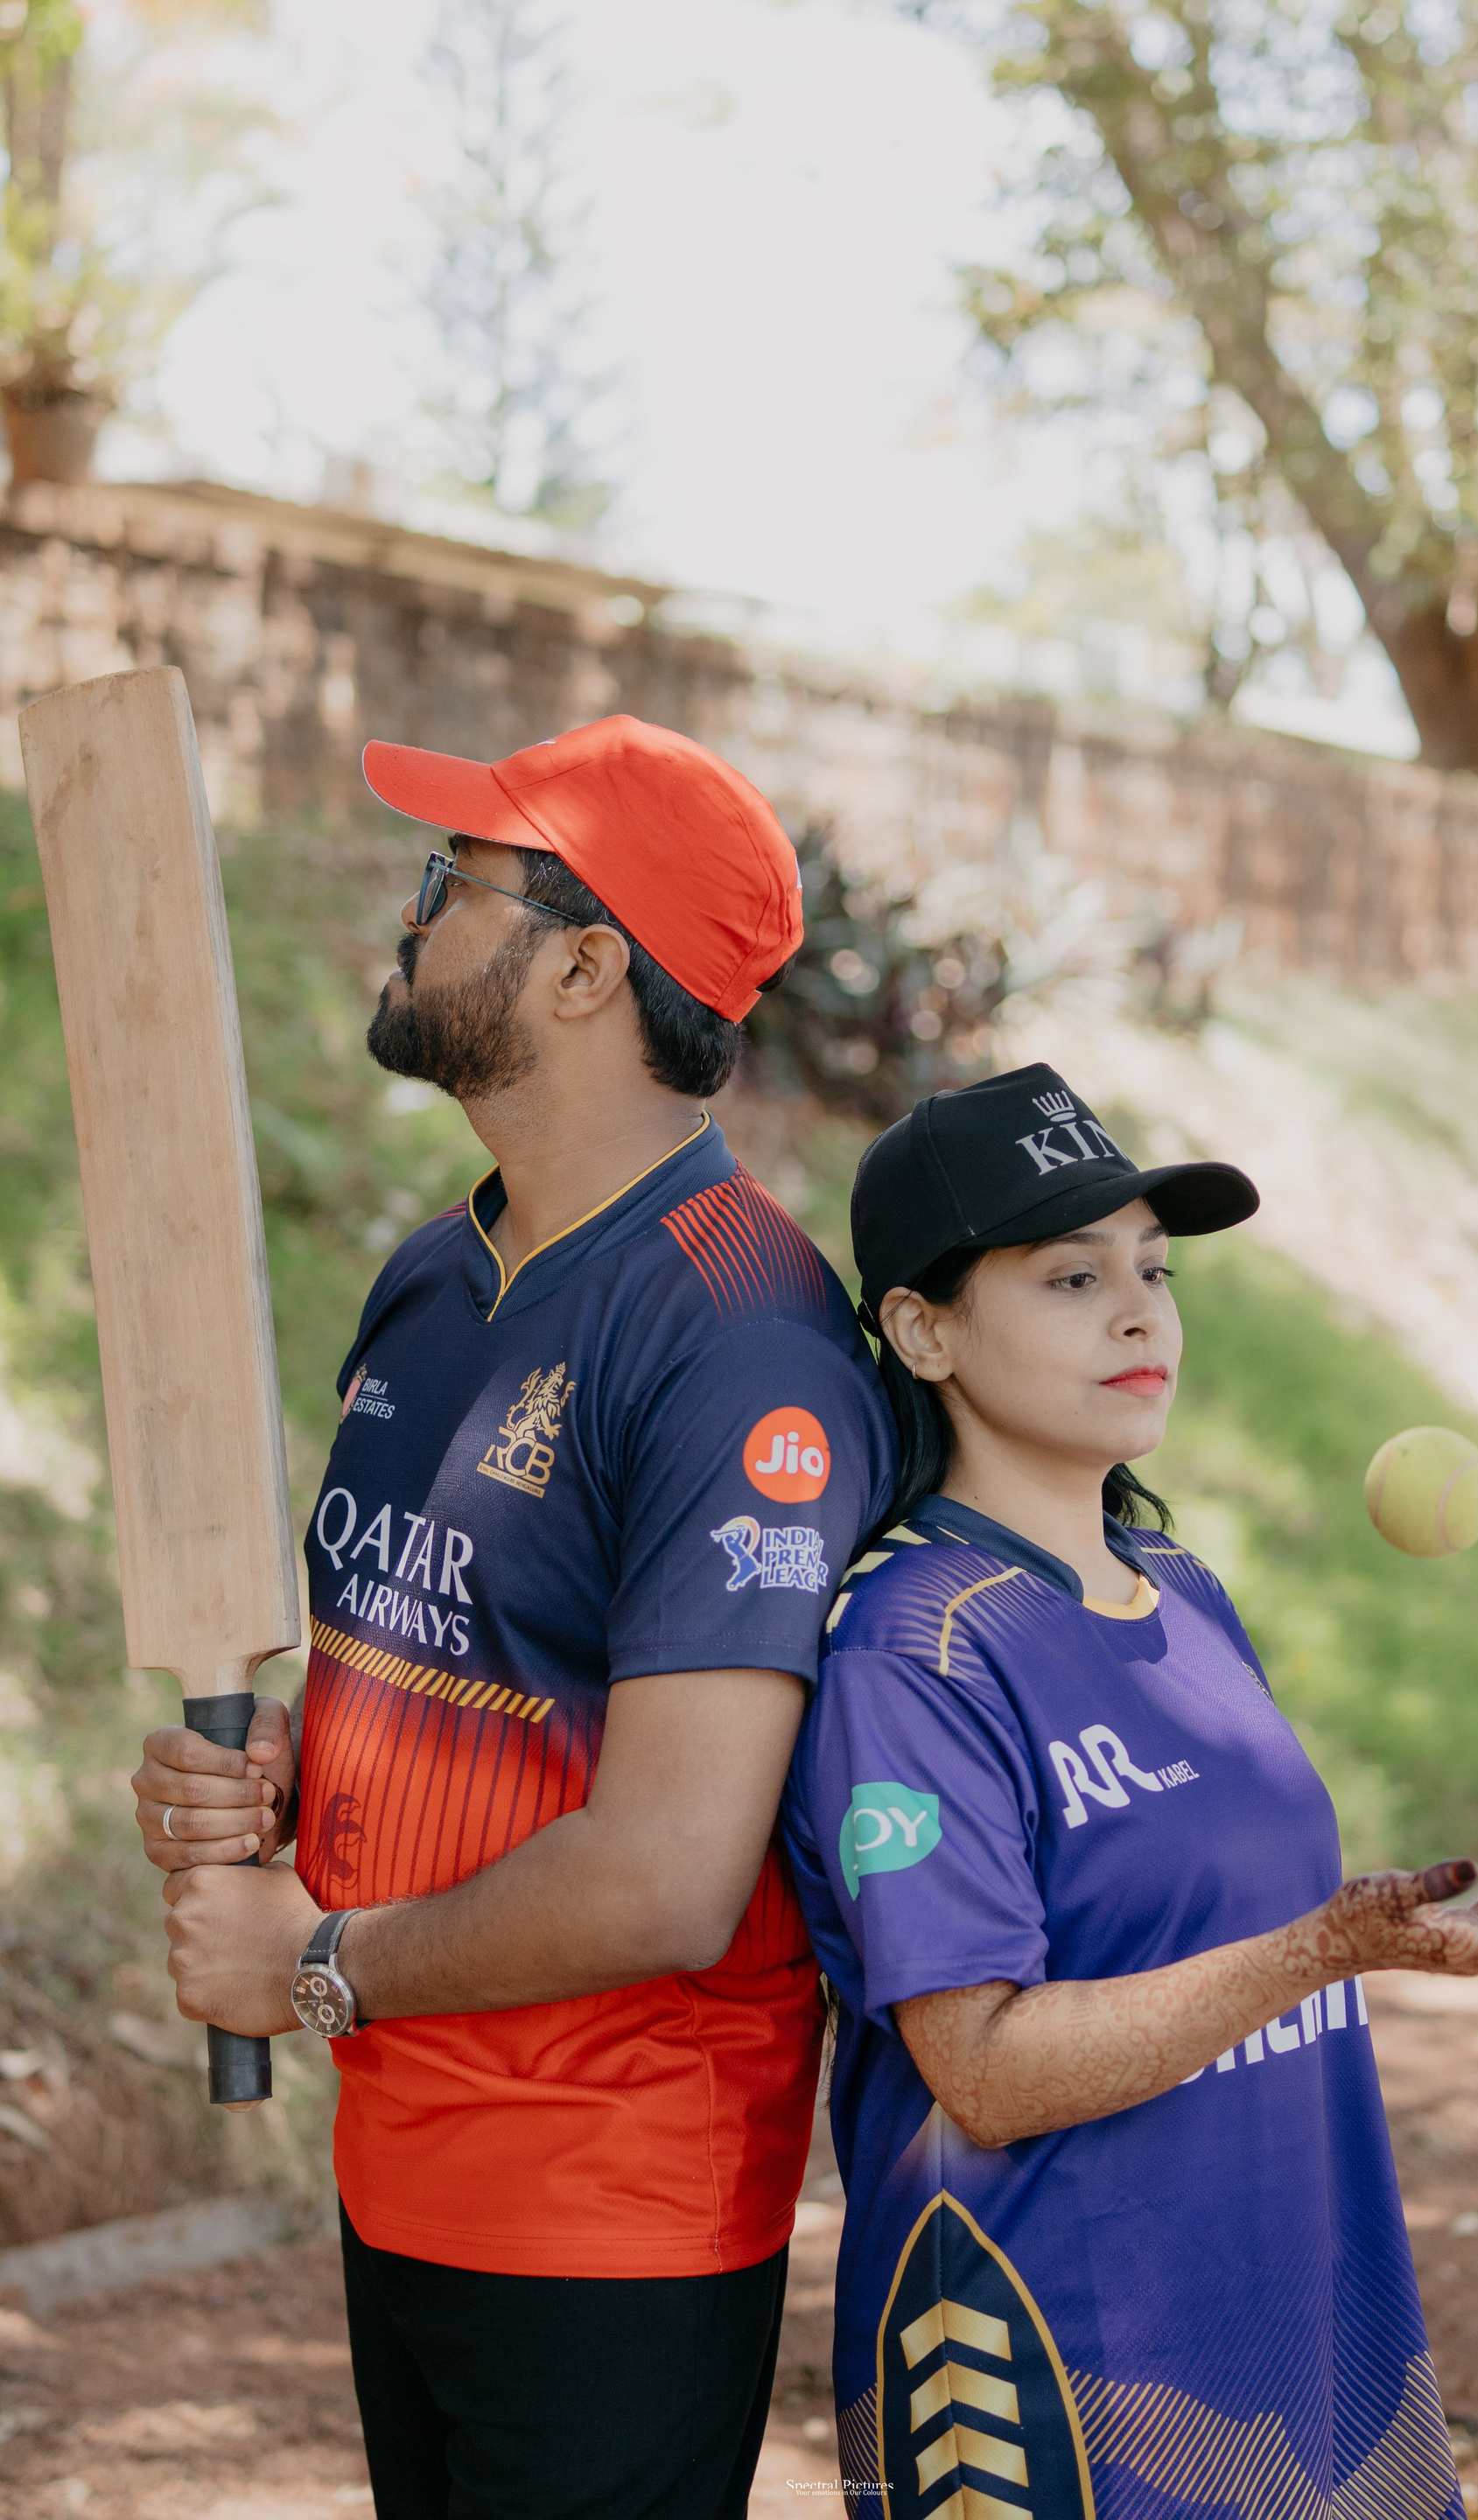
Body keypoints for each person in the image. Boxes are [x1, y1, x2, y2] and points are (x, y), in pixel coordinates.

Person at [130, 716, 898, 2520]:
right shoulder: (436, 1271)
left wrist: (313, 1964)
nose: (410, 916)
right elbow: (448, 1654)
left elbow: (668, 1873)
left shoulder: (744, 1341)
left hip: (612, 2211)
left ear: (584, 968)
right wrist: (276, 1781)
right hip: (404, 2168)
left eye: (450, 883)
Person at [779, 1062, 1478, 2520]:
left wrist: (1361, 1946)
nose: (1141, 1314)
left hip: (1296, 2326)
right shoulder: (910, 1652)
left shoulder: (1178, 1584)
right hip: (1070, 2387)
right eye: (1072, 1277)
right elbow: (982, 2071)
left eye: (1154, 1271)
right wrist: (1322, 1948)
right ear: (923, 1329)